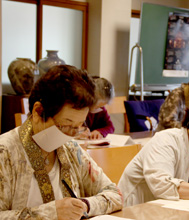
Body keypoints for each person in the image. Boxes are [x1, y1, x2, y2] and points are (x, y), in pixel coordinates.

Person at [0, 65, 122, 219]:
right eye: (65, 125)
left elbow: (115, 194)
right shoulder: (5, 152)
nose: (70, 136)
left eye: (78, 127)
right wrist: (50, 213)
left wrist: (84, 205)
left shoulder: (71, 150)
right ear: (38, 112)